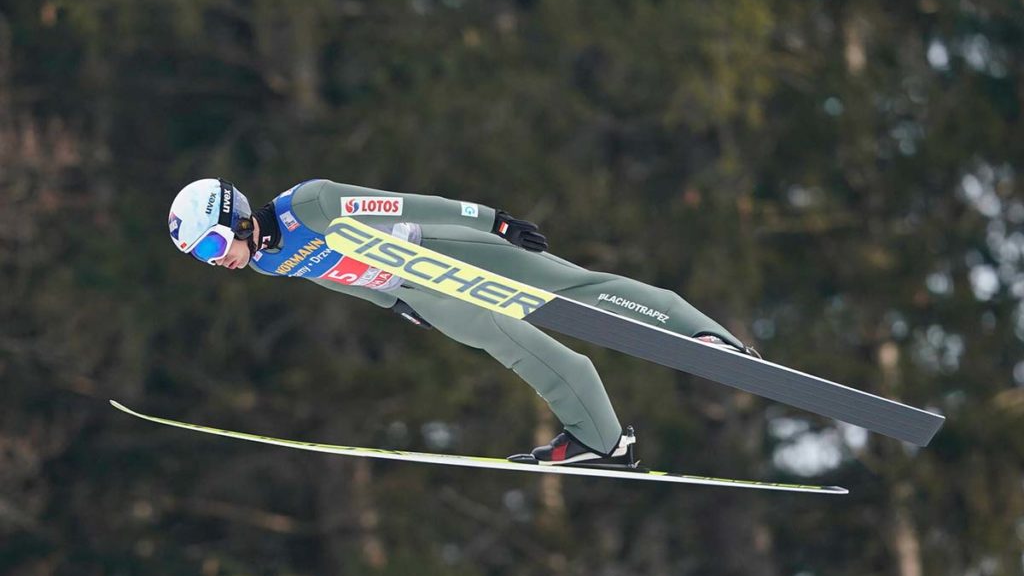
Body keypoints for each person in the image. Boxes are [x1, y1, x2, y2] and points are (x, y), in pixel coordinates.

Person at [168, 178, 758, 468]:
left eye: (214, 242)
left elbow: (402, 205)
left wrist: (494, 222)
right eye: (200, 256)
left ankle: (704, 335)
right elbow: (333, 275)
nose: (215, 259)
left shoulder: (309, 205)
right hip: (420, 294)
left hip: (444, 252)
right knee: (528, 352)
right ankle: (602, 441)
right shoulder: (267, 260)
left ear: (237, 217)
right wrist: (398, 306)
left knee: (576, 288)